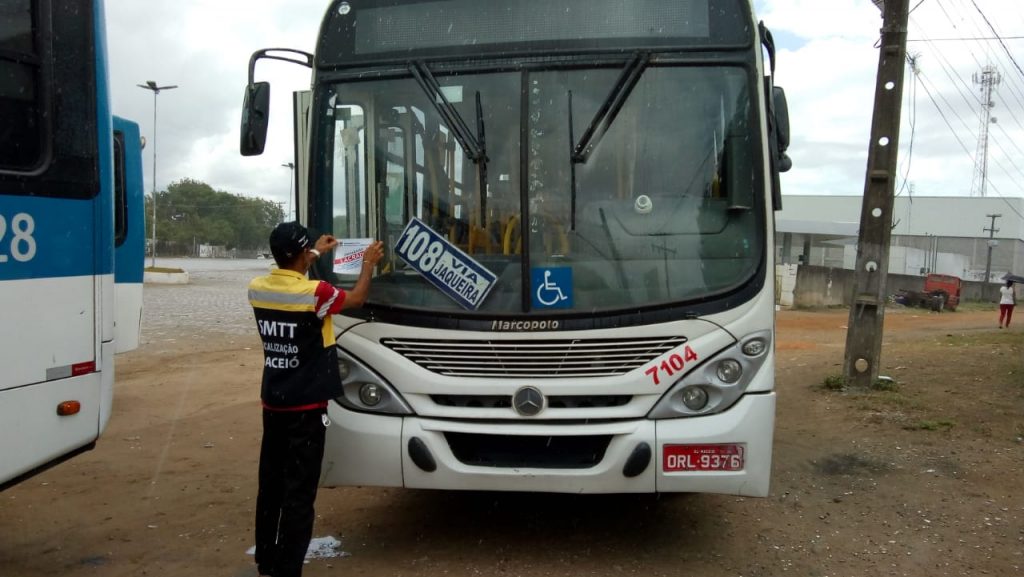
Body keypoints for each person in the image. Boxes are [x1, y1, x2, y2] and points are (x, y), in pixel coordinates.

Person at [248, 221, 383, 577]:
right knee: (300, 492)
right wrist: (368, 263)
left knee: (271, 485)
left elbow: (289, 273)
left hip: (274, 402)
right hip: (306, 406)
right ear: (300, 254)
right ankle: (289, 569)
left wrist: (315, 252)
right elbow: (356, 299)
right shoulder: (317, 293)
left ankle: (266, 558)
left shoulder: (258, 289)